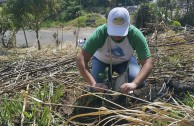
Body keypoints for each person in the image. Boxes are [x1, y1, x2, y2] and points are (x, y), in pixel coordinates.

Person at [76, 7, 153, 94]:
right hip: (102, 61)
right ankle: (112, 82)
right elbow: (80, 59)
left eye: (121, 31)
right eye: (114, 30)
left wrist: (134, 84)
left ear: (129, 25)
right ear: (107, 24)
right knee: (98, 85)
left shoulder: (135, 34)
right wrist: (93, 84)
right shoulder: (100, 33)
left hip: (125, 61)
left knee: (140, 82)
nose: (117, 35)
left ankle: (118, 82)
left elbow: (148, 62)